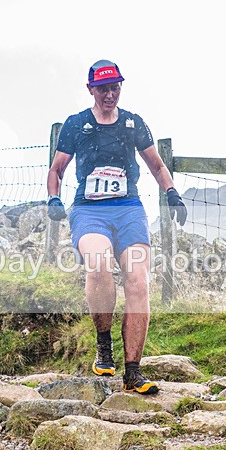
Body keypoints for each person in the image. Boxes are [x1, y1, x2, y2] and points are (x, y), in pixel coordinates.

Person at [46, 60, 187, 395]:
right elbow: (57, 170)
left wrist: (171, 193)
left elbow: (156, 164)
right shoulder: (76, 125)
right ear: (91, 89)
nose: (110, 95)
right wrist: (54, 199)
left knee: (138, 280)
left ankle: (133, 372)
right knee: (98, 265)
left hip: (128, 209)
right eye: (103, 89)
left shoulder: (133, 123)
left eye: (115, 88)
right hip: (89, 210)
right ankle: (104, 344)